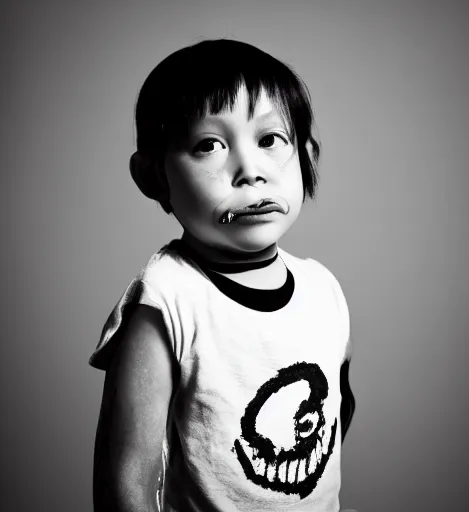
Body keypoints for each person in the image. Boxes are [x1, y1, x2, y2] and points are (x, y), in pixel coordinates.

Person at [90, 39, 356, 512]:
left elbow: (335, 417)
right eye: (209, 145)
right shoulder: (166, 300)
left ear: (308, 155)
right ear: (153, 176)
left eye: (271, 140)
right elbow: (126, 480)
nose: (250, 172)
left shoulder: (323, 290)